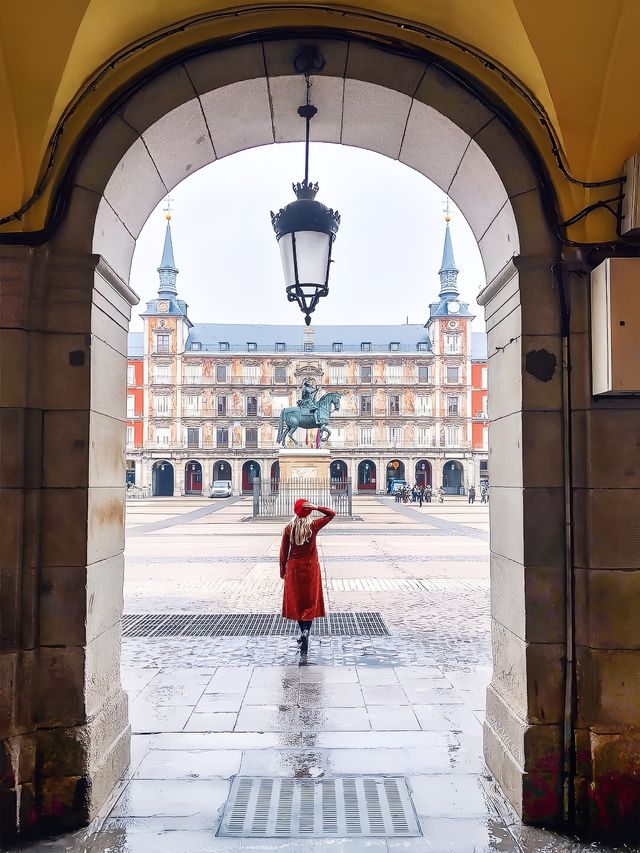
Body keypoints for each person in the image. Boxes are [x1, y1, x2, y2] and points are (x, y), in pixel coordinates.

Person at [280, 499, 336, 654]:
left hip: (294, 569)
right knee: (310, 602)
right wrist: (317, 507)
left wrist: (282, 571)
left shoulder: (288, 528)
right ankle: (306, 632)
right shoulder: (313, 526)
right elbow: (332, 514)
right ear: (308, 511)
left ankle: (302, 632)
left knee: (297, 602)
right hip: (310, 568)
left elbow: (283, 553)